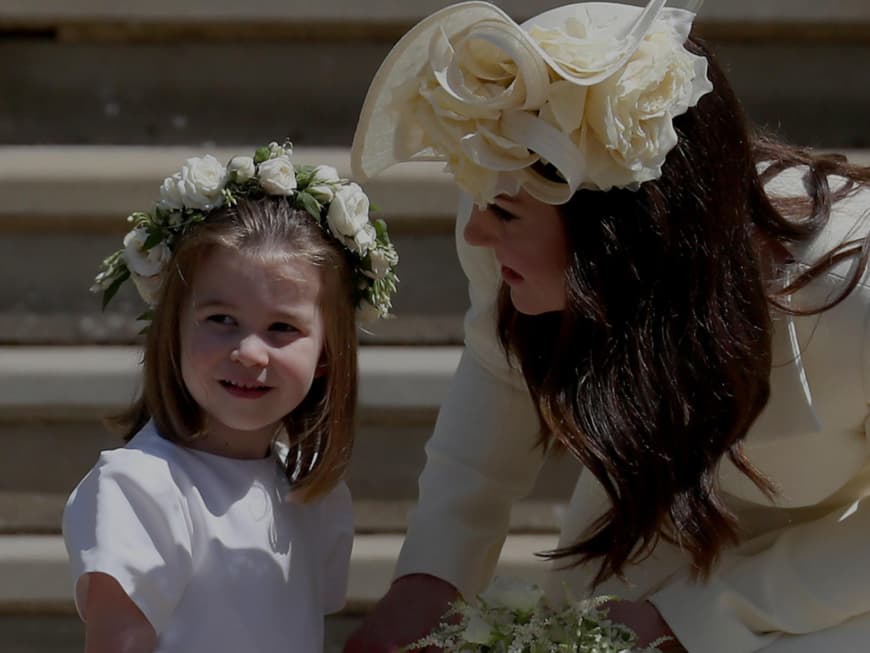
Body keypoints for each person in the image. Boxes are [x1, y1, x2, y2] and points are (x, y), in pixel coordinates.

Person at [345, 1, 870, 652]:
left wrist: (700, 613)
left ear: (622, 237)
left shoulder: (853, 298)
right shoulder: (502, 201)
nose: (477, 231)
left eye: (504, 214)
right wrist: (431, 576)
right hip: (652, 525)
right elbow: (498, 370)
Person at [62, 143, 399, 653]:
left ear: (328, 353)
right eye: (221, 320)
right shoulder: (142, 488)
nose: (248, 352)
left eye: (282, 327)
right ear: (172, 330)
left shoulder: (310, 492)